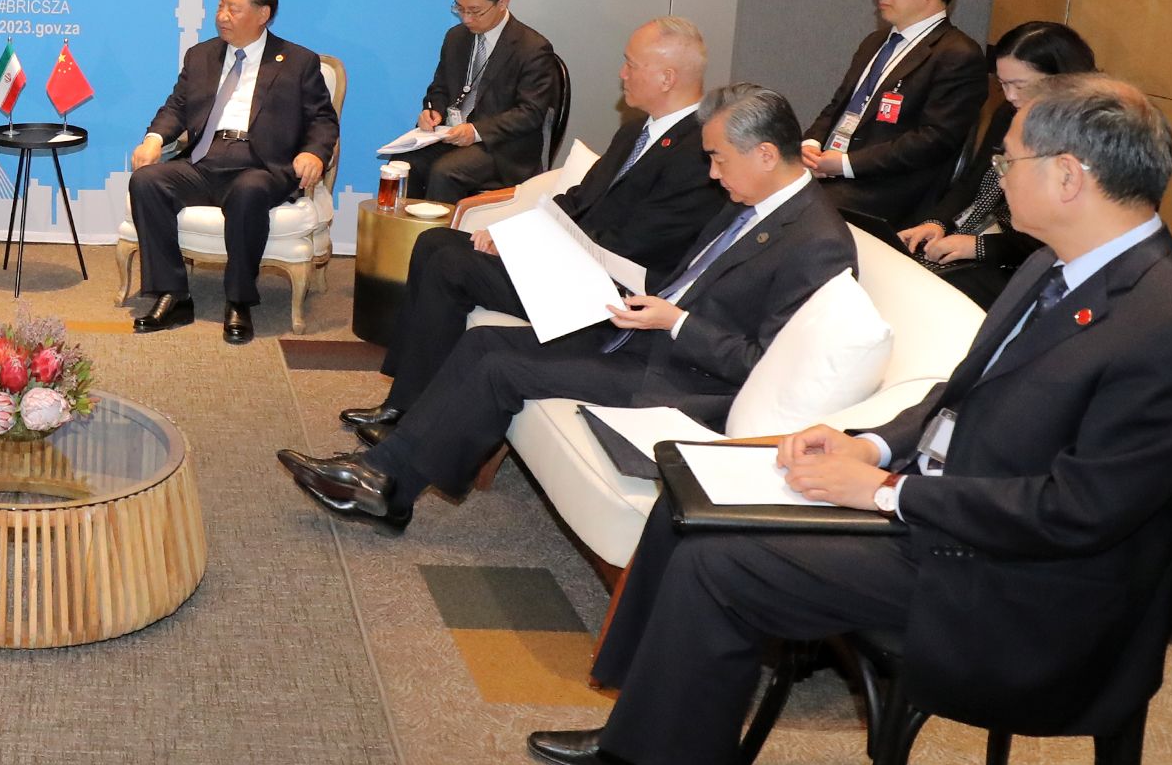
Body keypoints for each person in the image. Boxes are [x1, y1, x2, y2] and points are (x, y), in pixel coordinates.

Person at [530, 75, 1172, 765]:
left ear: (1069, 176)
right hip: (947, 522)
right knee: (692, 494)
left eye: (1009, 160)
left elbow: (1077, 512)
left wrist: (881, 493)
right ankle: (639, 732)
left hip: (1019, 585)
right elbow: (955, 397)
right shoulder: (1058, 265)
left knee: (721, 565)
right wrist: (867, 441)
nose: (997, 177)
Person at [278, 85, 855, 528]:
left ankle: (386, 489)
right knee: (483, 342)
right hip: (641, 332)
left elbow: (764, 364)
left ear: (765, 153)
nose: (711, 173)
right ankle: (385, 482)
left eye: (720, 160)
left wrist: (674, 320)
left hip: (680, 377)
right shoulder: (751, 199)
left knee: (503, 366)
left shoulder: (816, 243)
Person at [343, 16, 726, 444]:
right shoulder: (640, 128)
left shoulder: (699, 151)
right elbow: (580, 198)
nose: (622, 74)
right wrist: (517, 230)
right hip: (571, 264)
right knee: (435, 242)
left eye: (630, 64)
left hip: (605, 294)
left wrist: (534, 249)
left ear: (667, 77)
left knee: (452, 263)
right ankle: (406, 398)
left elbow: (638, 243)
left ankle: (408, 410)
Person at [126, 0, 339, 345]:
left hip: (261, 165)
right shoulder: (201, 55)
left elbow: (323, 120)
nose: (222, 16)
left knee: (249, 191)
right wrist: (154, 139)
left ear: (263, 14)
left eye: (233, 9)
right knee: (146, 180)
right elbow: (176, 106)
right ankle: (172, 293)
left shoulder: (297, 61)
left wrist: (313, 154)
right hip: (205, 160)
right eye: (221, 6)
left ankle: (239, 299)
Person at [893, 21, 1096, 307]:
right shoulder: (1009, 113)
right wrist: (938, 222)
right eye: (1003, 84)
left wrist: (978, 248)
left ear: (1061, 79)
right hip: (981, 237)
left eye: (1019, 85)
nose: (1010, 96)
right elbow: (973, 180)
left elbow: (1063, 237)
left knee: (928, 298)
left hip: (1026, 263)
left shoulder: (1087, 135)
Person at [801, 0, 987, 227]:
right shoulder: (874, 43)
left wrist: (845, 164)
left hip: (886, 188)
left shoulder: (957, 54)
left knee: (798, 212)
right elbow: (838, 106)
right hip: (834, 170)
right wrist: (812, 144)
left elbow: (933, 140)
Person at [390, 0, 562, 202]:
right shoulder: (455, 38)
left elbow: (530, 114)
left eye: (475, 11)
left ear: (502, 3)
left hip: (502, 148)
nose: (466, 19)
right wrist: (432, 111)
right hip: (451, 136)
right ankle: (408, 236)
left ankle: (441, 239)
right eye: (459, 9)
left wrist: (476, 131)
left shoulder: (532, 48)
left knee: (445, 172)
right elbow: (438, 88)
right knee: (403, 163)